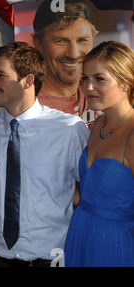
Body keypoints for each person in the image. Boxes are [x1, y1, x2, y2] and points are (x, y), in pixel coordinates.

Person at [0, 42, 89, 267]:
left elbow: (91, 189)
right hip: (0, 259)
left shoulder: (69, 129)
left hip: (54, 258)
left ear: (28, 80)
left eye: (0, 75)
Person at [64, 41, 134, 267]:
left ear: (125, 83)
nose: (88, 87)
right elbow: (88, 192)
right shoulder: (98, 124)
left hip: (115, 245)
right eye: (85, 78)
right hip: (81, 233)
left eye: (99, 79)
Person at [32, 0, 99, 126]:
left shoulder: (106, 89)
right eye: (61, 41)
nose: (73, 54)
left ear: (93, 39)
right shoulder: (27, 106)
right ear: (38, 43)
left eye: (82, 40)